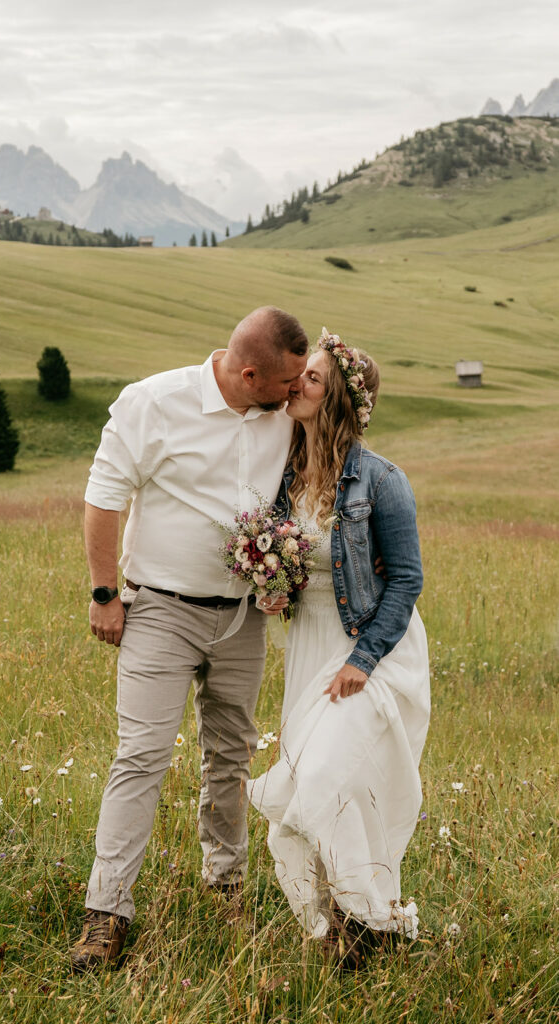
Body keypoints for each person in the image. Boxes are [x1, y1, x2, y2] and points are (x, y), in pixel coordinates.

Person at [69, 306, 309, 970]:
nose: (296, 394)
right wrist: (102, 593)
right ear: (250, 372)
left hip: (243, 618)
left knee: (231, 755)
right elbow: (104, 497)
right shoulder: (152, 403)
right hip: (159, 612)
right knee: (141, 757)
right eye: (286, 383)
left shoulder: (286, 416)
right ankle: (106, 914)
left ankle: (225, 886)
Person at [248, 328, 430, 971]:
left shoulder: (381, 479)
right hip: (310, 644)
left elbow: (406, 577)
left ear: (340, 400)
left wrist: (362, 660)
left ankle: (367, 913)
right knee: (339, 788)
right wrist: (270, 584)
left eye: (313, 379)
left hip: (372, 648)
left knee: (324, 774)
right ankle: (355, 927)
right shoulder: (286, 477)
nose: (297, 384)